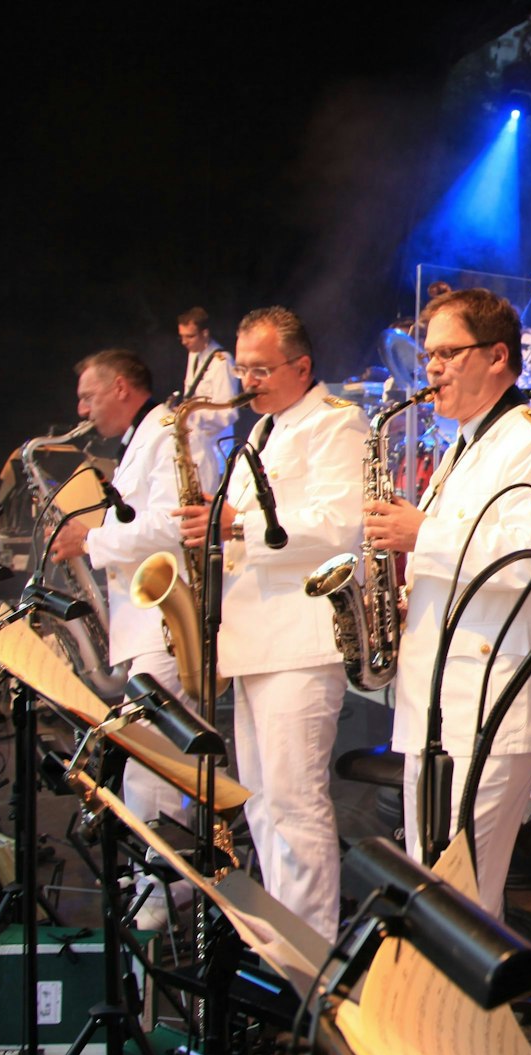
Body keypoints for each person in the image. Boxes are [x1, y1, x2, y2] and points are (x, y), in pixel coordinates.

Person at [364, 289, 531, 915]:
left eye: (448, 353)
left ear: (497, 357)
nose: (430, 368)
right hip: (435, 695)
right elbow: (460, 565)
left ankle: (467, 1015)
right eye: (429, 354)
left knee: (462, 899)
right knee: (429, 886)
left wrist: (421, 535)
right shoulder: (461, 444)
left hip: (492, 698)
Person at [179, 306, 366, 937]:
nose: (247, 381)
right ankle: (280, 940)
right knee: (261, 804)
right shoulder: (261, 432)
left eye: (261, 369)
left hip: (301, 641)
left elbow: (341, 526)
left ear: (302, 366)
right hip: (255, 639)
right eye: (244, 368)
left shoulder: (336, 423)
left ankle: (312, 958)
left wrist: (236, 525)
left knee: (294, 802)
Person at [48, 349, 190, 919]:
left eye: (89, 396)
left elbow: (171, 523)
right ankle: (162, 879)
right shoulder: (142, 436)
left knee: (149, 754)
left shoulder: (163, 431)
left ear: (124, 387)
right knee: (150, 753)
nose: (81, 409)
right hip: (146, 620)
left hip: (163, 619)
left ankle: (160, 887)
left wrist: (91, 538)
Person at [177, 307, 243, 489]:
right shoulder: (193, 355)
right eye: (181, 336)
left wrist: (190, 415)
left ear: (205, 333)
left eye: (189, 336)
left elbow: (228, 414)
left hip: (215, 451)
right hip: (195, 448)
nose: (184, 342)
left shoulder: (222, 362)